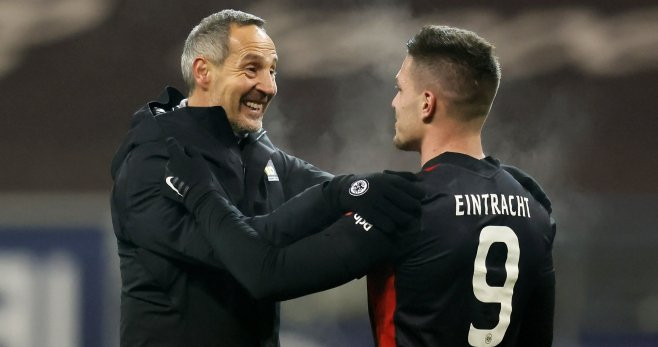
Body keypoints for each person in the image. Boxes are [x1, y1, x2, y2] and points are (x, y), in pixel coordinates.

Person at [164, 25, 556, 346]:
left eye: (400, 89)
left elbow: (267, 273)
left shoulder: (407, 206)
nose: (393, 103)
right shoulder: (535, 208)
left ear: (426, 103)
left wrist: (200, 190)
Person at [109, 9, 423, 347]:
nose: (268, 86)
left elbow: (333, 190)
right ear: (203, 72)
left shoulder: (254, 150)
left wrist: (417, 195)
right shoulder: (155, 164)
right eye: (251, 69)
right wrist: (342, 193)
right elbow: (250, 255)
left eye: (272, 70)